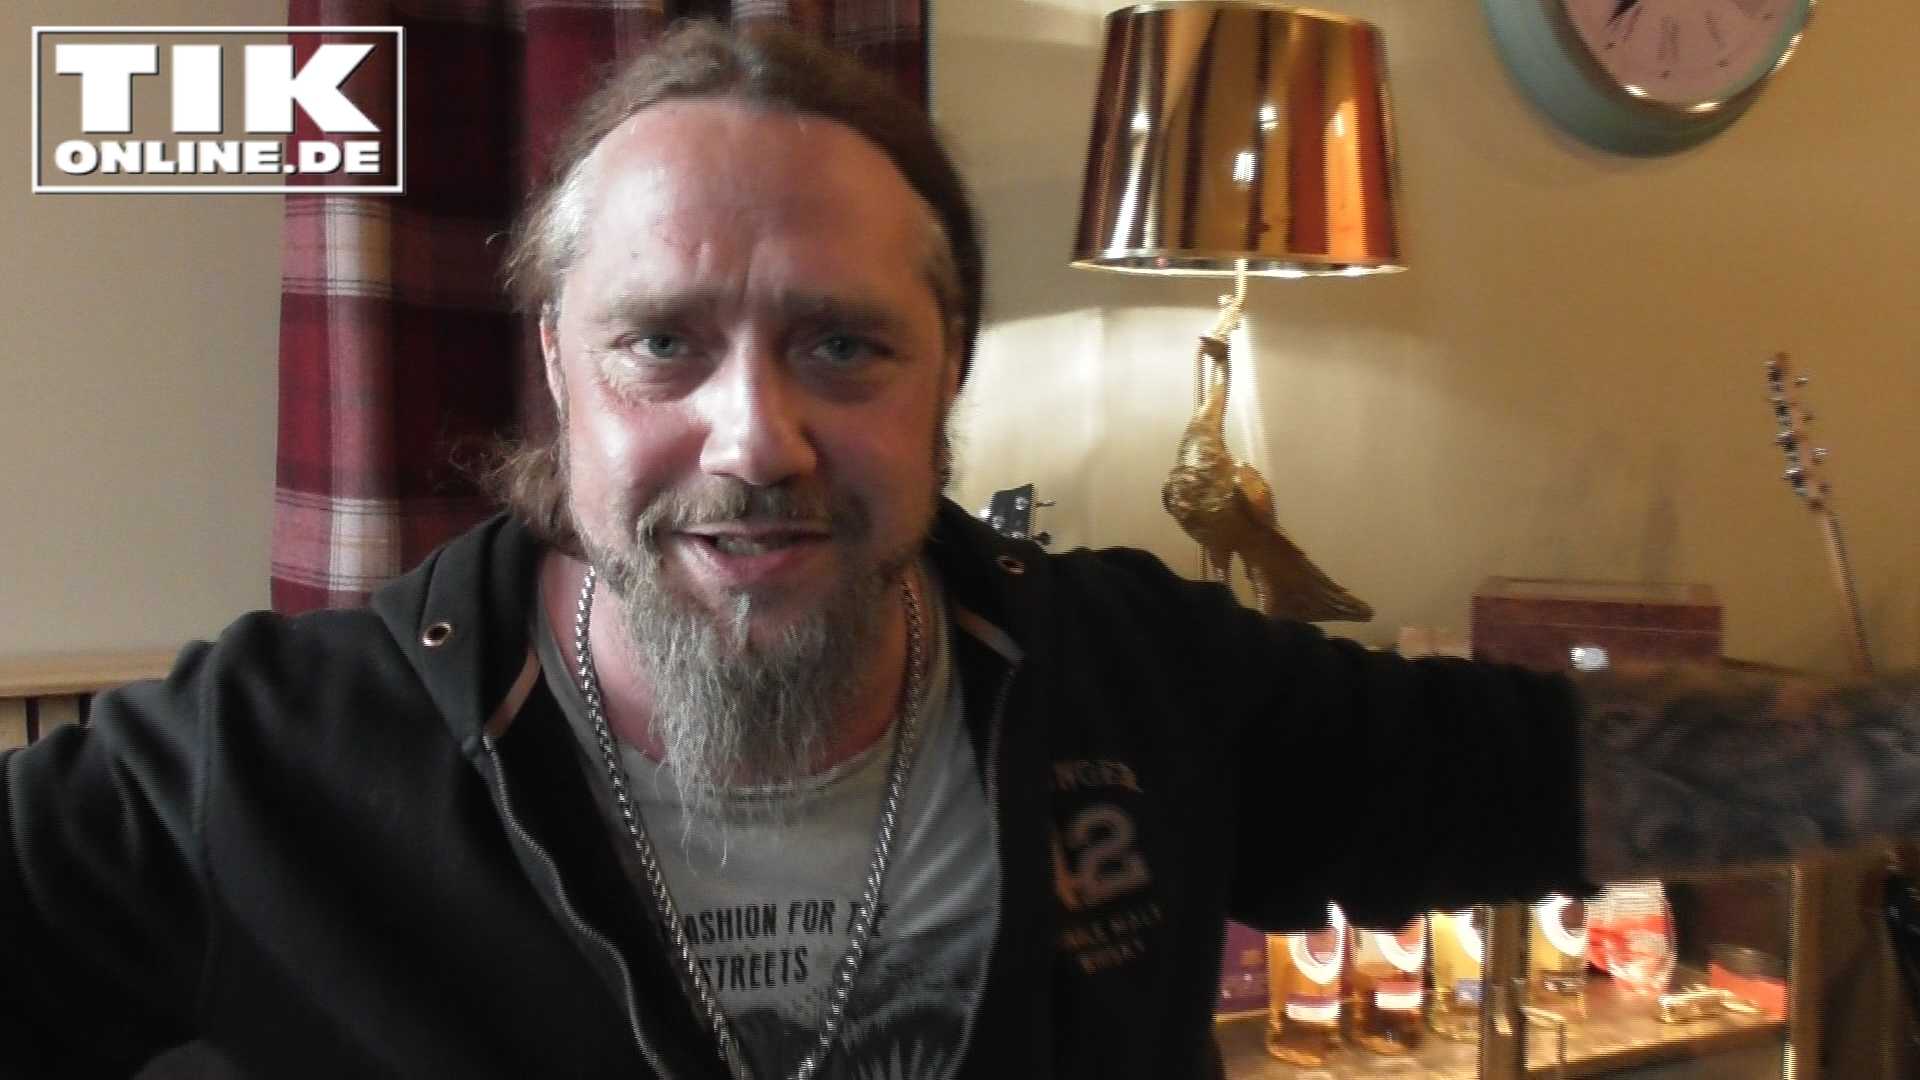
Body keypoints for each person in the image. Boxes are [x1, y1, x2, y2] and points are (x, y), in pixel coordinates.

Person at [3, 20, 1917, 1080]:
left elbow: (1529, 771)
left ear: (946, 380)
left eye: (842, 346)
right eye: (663, 344)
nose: (754, 438)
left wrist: (1893, 751)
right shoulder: (266, 757)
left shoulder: (1129, 680)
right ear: (561, 373)